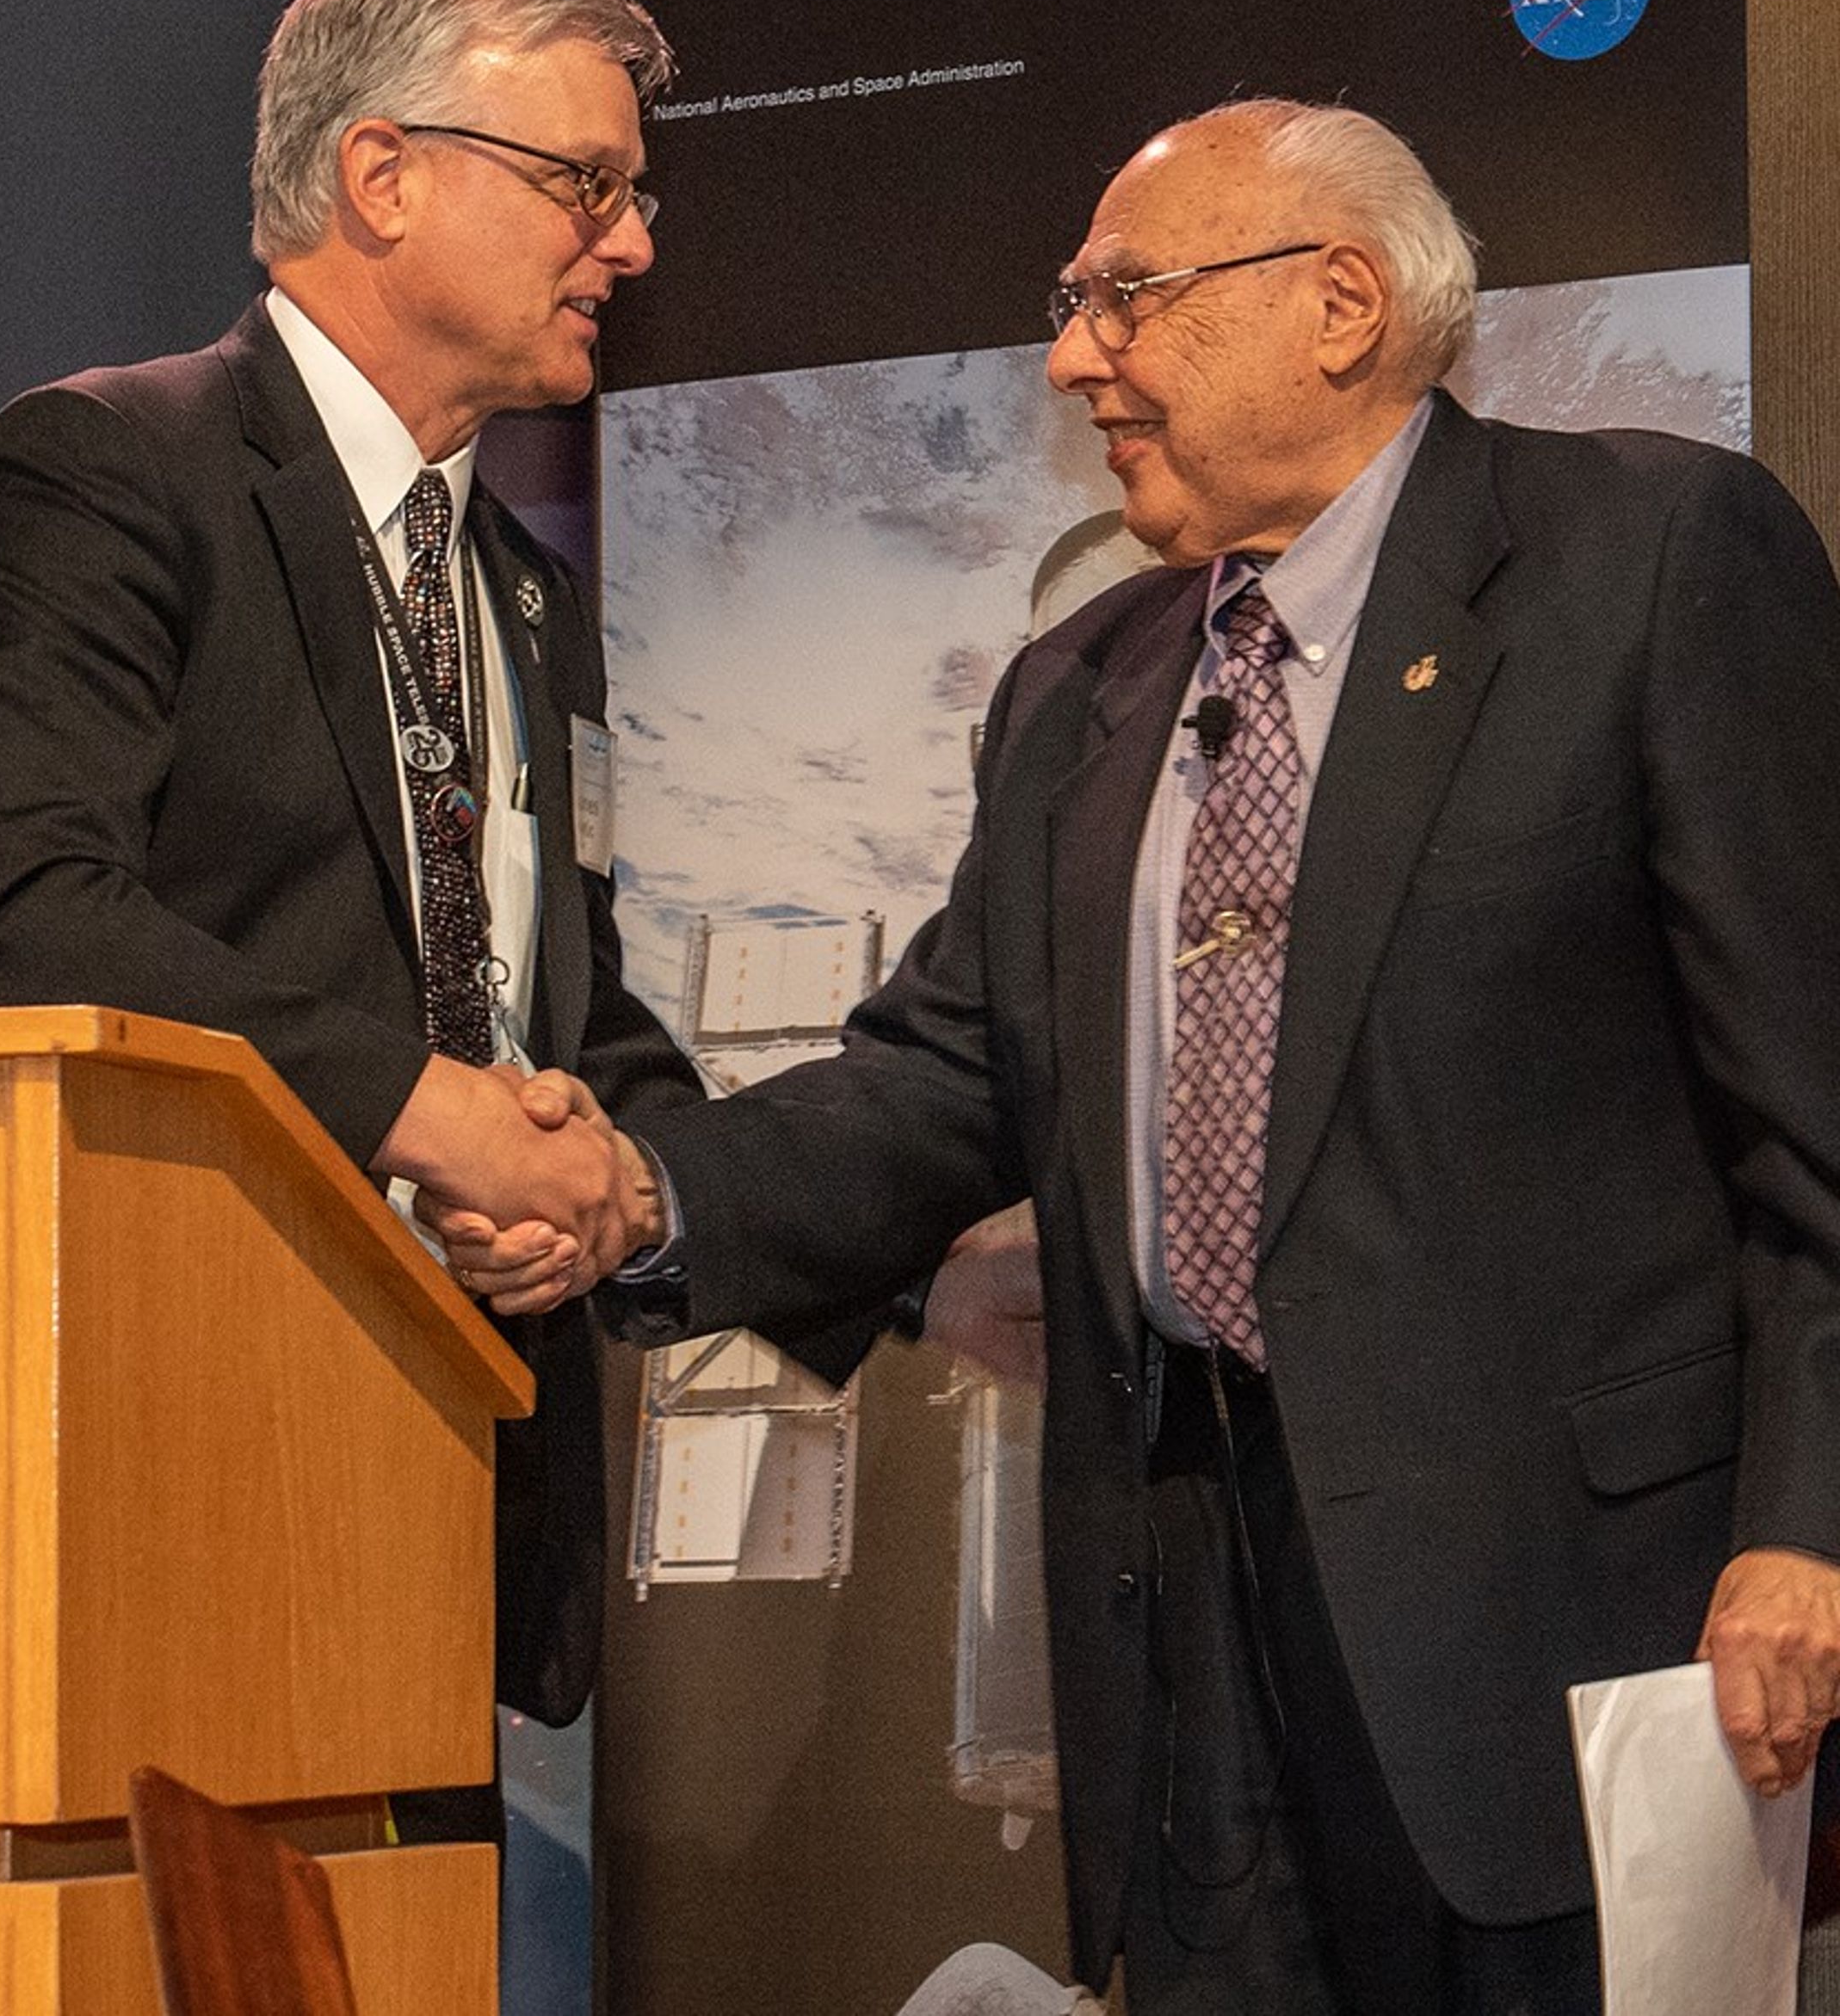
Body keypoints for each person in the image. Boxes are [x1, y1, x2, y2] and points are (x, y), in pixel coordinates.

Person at [440, 99, 1840, 2009]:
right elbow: (938, 1084)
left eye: (1127, 297)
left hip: (1564, 1634)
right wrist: (639, 1192)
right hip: (1186, 1649)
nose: (1074, 357)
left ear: (1340, 303)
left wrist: (1808, 1531)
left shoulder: (1648, 559)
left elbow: (1815, 1118)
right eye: (1074, 305)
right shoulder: (1078, 691)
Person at [0, 0, 698, 1735]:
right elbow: (16, 917)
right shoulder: (111, 470)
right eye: (585, 183)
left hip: (456, 1490)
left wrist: (597, 1193)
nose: (632, 242)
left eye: (631, 193)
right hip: (165, 1458)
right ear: (383, 176)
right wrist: (431, 1116)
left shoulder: (527, 592)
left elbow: (557, 1013)